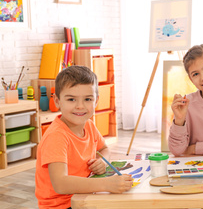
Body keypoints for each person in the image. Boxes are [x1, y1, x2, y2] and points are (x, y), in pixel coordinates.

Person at [35, 66, 133, 208]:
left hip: (85, 196)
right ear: (57, 101)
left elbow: (104, 148)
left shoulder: (89, 125)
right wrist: (106, 184)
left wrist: (103, 162)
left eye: (87, 99)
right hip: (62, 205)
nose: (80, 106)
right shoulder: (56, 136)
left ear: (96, 101)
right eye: (71, 99)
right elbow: (60, 184)